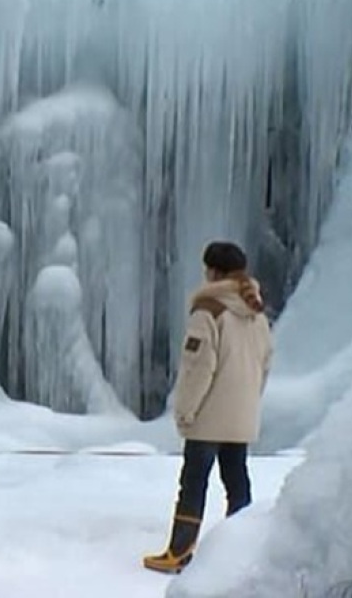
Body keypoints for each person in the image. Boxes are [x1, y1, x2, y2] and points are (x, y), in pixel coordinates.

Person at [143, 241, 274, 574]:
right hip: (242, 414)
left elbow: (199, 367)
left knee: (193, 482)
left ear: (212, 271)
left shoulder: (209, 309)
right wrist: (249, 402)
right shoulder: (255, 311)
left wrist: (186, 410)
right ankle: (241, 552)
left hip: (209, 414)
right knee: (237, 482)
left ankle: (179, 551)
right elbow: (265, 363)